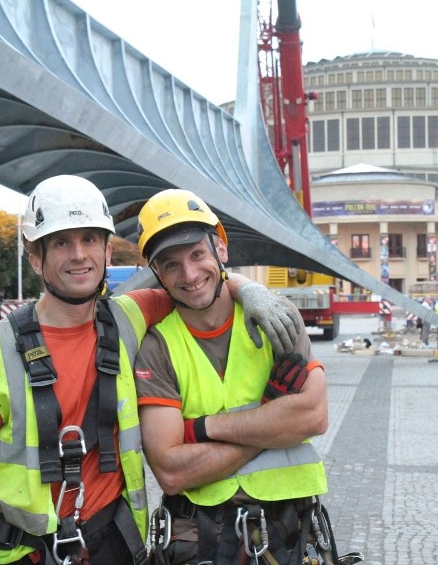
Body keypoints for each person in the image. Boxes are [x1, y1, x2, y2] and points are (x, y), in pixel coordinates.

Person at [0, 176, 302, 565]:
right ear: (35, 256)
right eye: (62, 242)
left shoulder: (130, 316)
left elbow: (195, 281)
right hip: (24, 552)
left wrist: (249, 290)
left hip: (112, 544)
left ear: (108, 252)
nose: (79, 255)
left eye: (90, 239)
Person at [134, 190, 356, 565]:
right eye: (171, 265)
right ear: (157, 273)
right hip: (200, 539)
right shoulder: (156, 345)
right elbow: (171, 471)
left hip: (291, 530)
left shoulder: (275, 318)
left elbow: (313, 417)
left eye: (197, 254)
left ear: (221, 250)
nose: (189, 275)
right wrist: (272, 424)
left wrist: (202, 429)